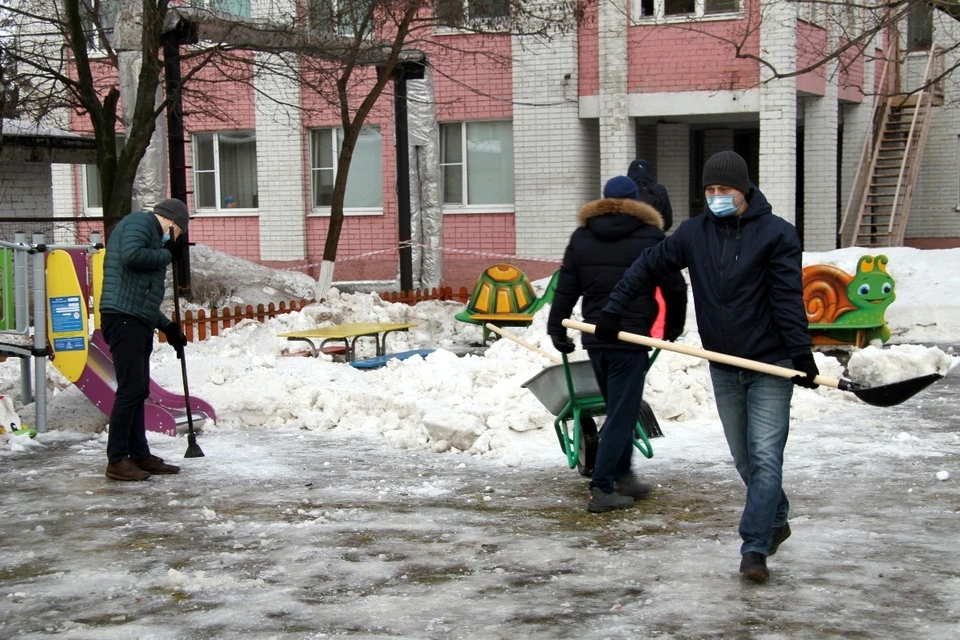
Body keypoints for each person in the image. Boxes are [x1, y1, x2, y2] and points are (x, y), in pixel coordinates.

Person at [595, 151, 820, 583]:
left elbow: (787, 298)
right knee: (745, 459)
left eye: (725, 190)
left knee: (766, 457)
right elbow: (647, 267)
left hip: (770, 364)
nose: (716, 197)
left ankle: (754, 548)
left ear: (745, 190)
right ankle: (776, 516)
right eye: (710, 190)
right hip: (723, 363)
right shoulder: (694, 234)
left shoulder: (777, 235)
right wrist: (613, 311)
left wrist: (801, 353)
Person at [547, 176, 688, 514]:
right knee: (623, 412)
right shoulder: (651, 236)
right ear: (638, 201)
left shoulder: (583, 237)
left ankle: (623, 475)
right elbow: (675, 287)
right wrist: (672, 327)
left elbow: (566, 286)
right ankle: (602, 485)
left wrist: (557, 327)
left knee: (620, 407)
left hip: (596, 335)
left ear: (604, 200)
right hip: (631, 336)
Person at [99, 198, 190, 481]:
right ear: (173, 223)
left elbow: (143, 298)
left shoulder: (152, 235)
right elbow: (131, 255)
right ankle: (117, 459)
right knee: (130, 390)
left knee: (137, 390)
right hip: (122, 319)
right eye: (178, 233)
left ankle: (139, 454)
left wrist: (168, 327)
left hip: (134, 319)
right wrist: (167, 254)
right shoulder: (141, 223)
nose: (173, 240)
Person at [628, 158, 673, 231]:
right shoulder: (659, 190)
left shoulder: (626, 189)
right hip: (654, 237)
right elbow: (668, 220)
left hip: (629, 237)